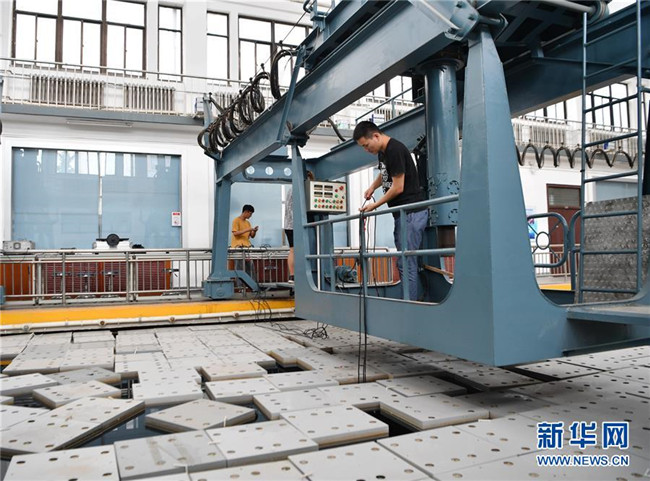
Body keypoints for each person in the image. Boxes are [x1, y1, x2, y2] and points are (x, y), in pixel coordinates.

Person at [354, 121, 427, 301]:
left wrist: (374, 206)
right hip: (402, 214)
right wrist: (372, 187)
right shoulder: (383, 152)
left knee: (406, 262)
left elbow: (398, 187)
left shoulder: (395, 149)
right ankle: (408, 301)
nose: (366, 150)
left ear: (376, 136)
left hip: (410, 213)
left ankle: (408, 306)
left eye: (366, 145)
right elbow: (385, 172)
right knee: (404, 261)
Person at [284, 172, 314, 284]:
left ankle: (293, 275)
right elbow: (294, 209)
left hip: (289, 225)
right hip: (295, 224)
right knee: (296, 250)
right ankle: (297, 275)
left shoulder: (291, 189)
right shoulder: (298, 190)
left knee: (293, 250)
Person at [231, 204, 258, 282]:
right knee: (239, 268)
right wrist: (247, 230)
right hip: (238, 247)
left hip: (247, 247)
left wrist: (254, 231)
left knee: (250, 267)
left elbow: (252, 236)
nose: (251, 216)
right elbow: (235, 233)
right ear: (246, 212)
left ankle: (252, 284)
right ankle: (240, 286)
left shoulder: (248, 223)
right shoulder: (236, 220)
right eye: (250, 213)